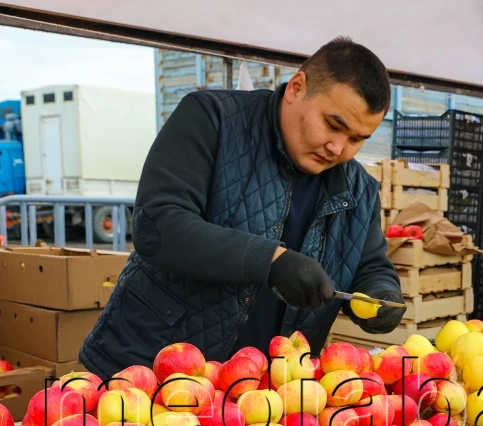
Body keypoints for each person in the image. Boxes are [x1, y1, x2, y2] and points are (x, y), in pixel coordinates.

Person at [80, 37, 404, 379]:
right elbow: (158, 225)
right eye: (333, 125)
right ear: (296, 88)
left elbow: (370, 265)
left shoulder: (360, 190)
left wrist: (382, 295)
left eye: (357, 139)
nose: (338, 147)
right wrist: (270, 261)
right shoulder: (212, 119)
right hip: (147, 373)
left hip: (268, 394)